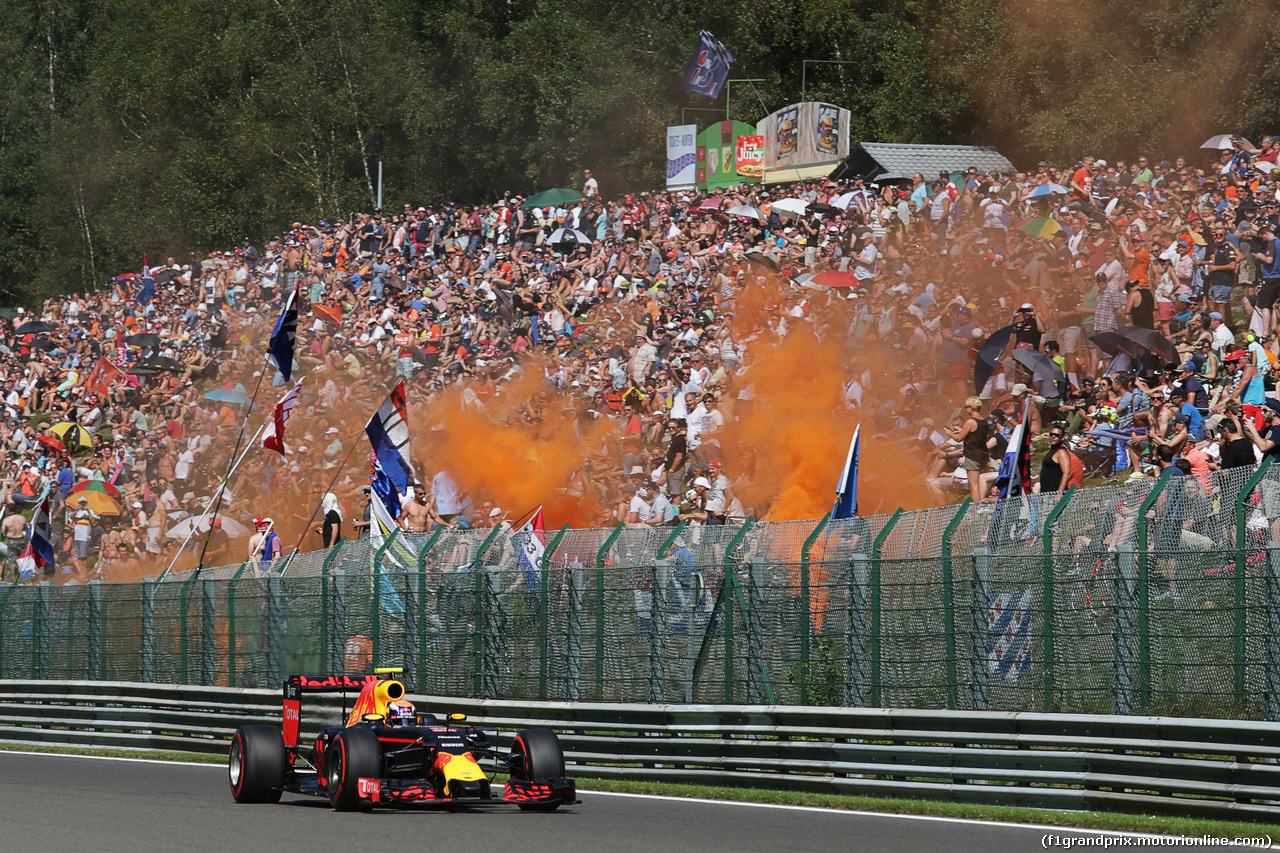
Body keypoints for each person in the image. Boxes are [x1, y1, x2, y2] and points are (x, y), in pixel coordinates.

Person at [70, 496, 98, 582]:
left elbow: (93, 521)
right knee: (77, 556)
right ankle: (80, 572)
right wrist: (76, 509)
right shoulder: (77, 512)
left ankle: (84, 573)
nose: (82, 504)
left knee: (83, 556)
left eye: (84, 503)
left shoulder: (89, 511)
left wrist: (88, 510)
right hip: (77, 536)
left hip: (84, 536)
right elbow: (71, 517)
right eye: (81, 503)